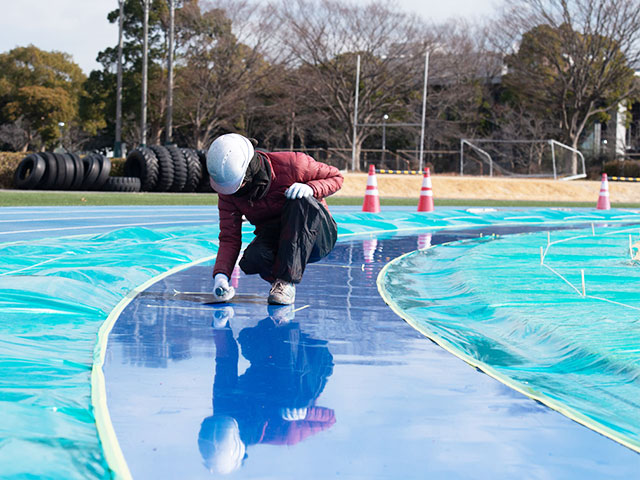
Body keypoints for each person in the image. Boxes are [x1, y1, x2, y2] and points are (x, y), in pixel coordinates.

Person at [199, 304, 336, 474]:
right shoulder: (283, 433)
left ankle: (278, 320)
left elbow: (226, 361)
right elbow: (330, 420)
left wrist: (220, 326)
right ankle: (284, 325)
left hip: (271, 357)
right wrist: (306, 413)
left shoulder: (224, 408)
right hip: (313, 364)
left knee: (250, 341)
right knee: (292, 403)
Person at [207, 133, 343, 305]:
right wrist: (221, 276)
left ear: (249, 169)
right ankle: (279, 282)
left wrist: (311, 188)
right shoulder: (229, 194)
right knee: (252, 259)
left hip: (317, 235)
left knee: (298, 200)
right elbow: (229, 237)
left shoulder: (294, 164)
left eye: (238, 185)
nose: (234, 192)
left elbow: (337, 177)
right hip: (278, 237)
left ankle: (286, 282)